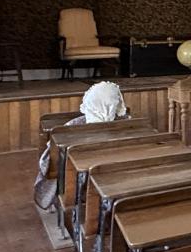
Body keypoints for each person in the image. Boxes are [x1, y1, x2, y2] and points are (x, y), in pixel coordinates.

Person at [32, 81, 130, 209]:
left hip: (81, 184)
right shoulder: (129, 124)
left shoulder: (68, 129)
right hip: (114, 179)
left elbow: (47, 162)